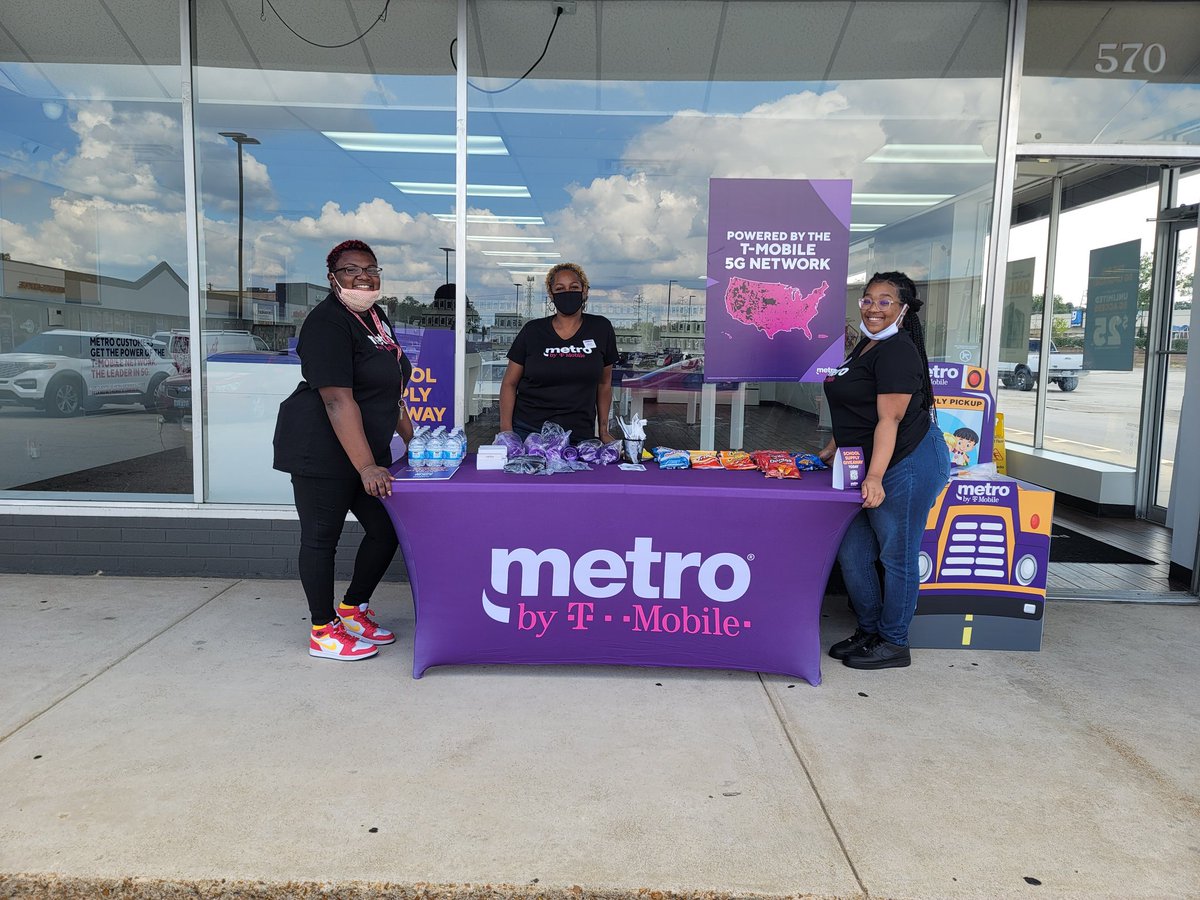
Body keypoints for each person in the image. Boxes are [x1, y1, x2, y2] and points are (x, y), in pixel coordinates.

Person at [273, 239, 413, 661]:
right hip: (323, 450)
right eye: (352, 269)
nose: (364, 276)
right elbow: (337, 400)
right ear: (332, 278)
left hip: (363, 451)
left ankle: (353, 608)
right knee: (321, 538)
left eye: (371, 268)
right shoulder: (327, 322)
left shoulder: (375, 318)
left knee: (386, 529)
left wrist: (415, 439)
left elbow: (391, 391)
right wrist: (368, 466)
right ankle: (322, 629)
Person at [819, 271, 950, 669]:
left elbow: (889, 420)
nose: (873, 307)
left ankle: (894, 642)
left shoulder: (897, 351)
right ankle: (870, 630)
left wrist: (875, 477)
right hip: (868, 462)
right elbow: (854, 408)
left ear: (903, 309)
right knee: (853, 551)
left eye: (884, 301)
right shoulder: (867, 347)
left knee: (897, 555)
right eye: (868, 299)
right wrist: (830, 448)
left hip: (906, 462)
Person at [500, 262, 618, 443]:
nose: (567, 293)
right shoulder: (532, 331)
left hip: (579, 435)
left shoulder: (601, 328)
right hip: (529, 434)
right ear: (551, 294)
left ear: (585, 291)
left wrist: (603, 431)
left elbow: (604, 384)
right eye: (560, 289)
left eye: (574, 287)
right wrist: (507, 432)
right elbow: (509, 383)